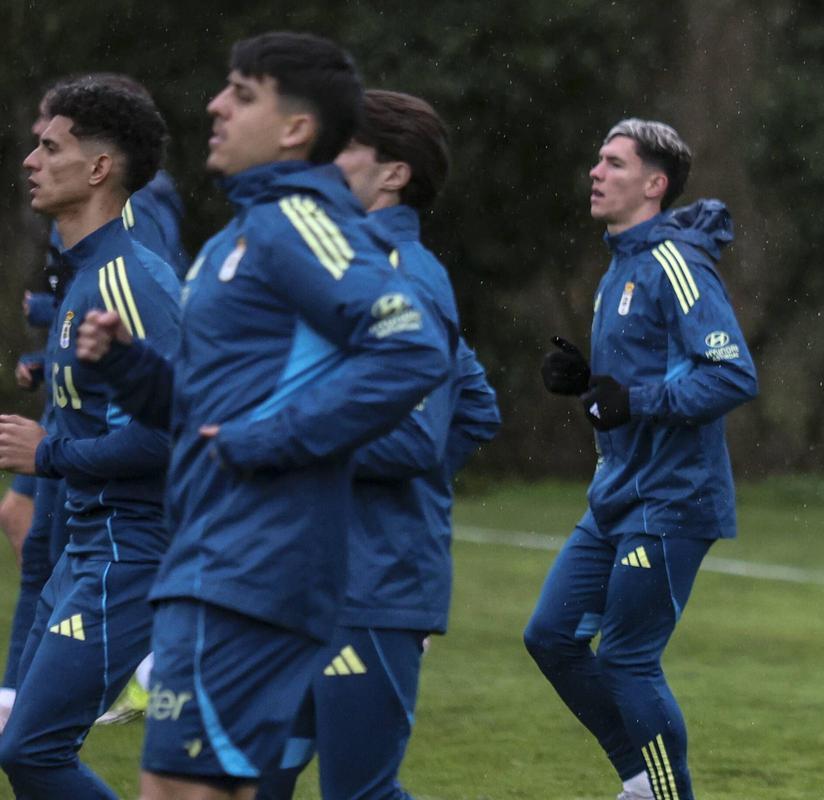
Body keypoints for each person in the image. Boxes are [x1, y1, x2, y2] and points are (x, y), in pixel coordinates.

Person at [74, 32, 449, 800]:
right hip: (214, 558)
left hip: (251, 565)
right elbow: (206, 411)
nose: (216, 104)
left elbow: (409, 350)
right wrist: (127, 369)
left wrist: (268, 441)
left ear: (296, 130)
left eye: (243, 93)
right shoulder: (236, 238)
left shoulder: (296, 223)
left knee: (181, 792)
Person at [256, 89, 501, 800]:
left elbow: (413, 440)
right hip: (314, 579)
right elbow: (474, 408)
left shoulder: (403, 278)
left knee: (358, 794)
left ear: (393, 173)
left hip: (370, 588)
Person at [524, 119, 758, 800]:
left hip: (673, 500)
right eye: (598, 159)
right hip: (617, 496)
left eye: (615, 163)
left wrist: (636, 400)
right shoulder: (620, 265)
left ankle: (666, 794)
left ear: (654, 185)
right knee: (551, 638)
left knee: (628, 659)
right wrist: (589, 379)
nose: (596, 172)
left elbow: (732, 374)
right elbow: (632, 384)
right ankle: (641, 781)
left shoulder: (674, 264)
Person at [0, 78, 180, 799]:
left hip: (132, 551)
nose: (30, 161)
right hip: (85, 544)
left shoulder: (132, 279)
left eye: (51, 147)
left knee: (35, 751)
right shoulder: (84, 276)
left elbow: (172, 437)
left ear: (100, 168)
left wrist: (47, 454)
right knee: (25, 745)